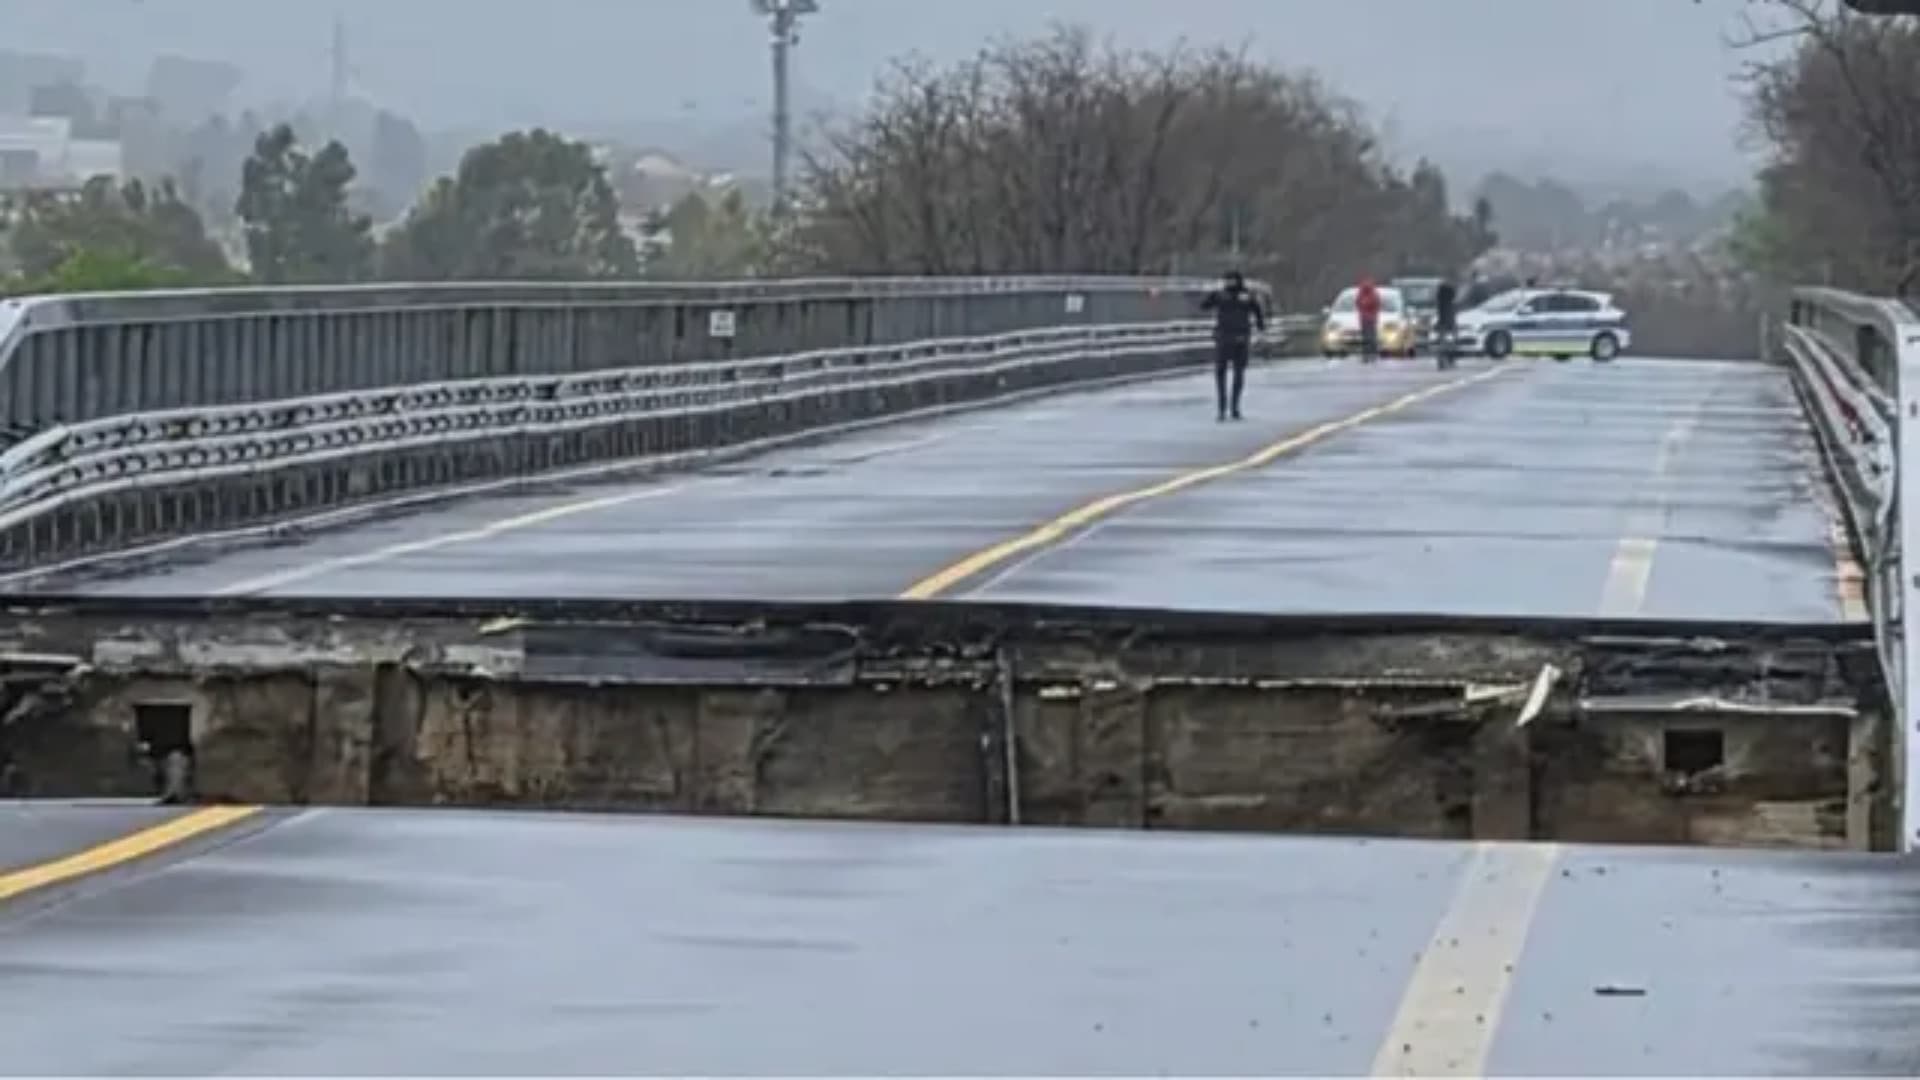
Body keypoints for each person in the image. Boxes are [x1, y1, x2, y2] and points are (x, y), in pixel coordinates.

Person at [1200, 270, 1267, 421]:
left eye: (1231, 280)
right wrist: (1261, 327)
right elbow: (1204, 305)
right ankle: (1224, 408)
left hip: (1236, 338)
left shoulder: (1243, 295)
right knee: (1225, 373)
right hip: (1228, 337)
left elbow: (1257, 312)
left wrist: (1261, 327)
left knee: (1235, 373)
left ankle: (1233, 407)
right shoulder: (1227, 295)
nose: (1229, 284)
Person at [1356, 276, 1382, 363]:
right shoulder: (1373, 294)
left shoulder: (1362, 294)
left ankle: (1367, 354)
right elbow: (1377, 304)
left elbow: (1358, 303)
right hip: (1370, 318)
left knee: (1366, 336)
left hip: (1365, 318)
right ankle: (1371, 353)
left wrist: (1363, 309)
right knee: (1371, 336)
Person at [1434, 279, 1459, 369]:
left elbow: (1439, 313)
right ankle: (1450, 360)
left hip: (1442, 323)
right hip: (1449, 323)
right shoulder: (1450, 303)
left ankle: (1441, 360)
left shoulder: (1440, 301)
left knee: (1442, 343)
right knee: (1452, 343)